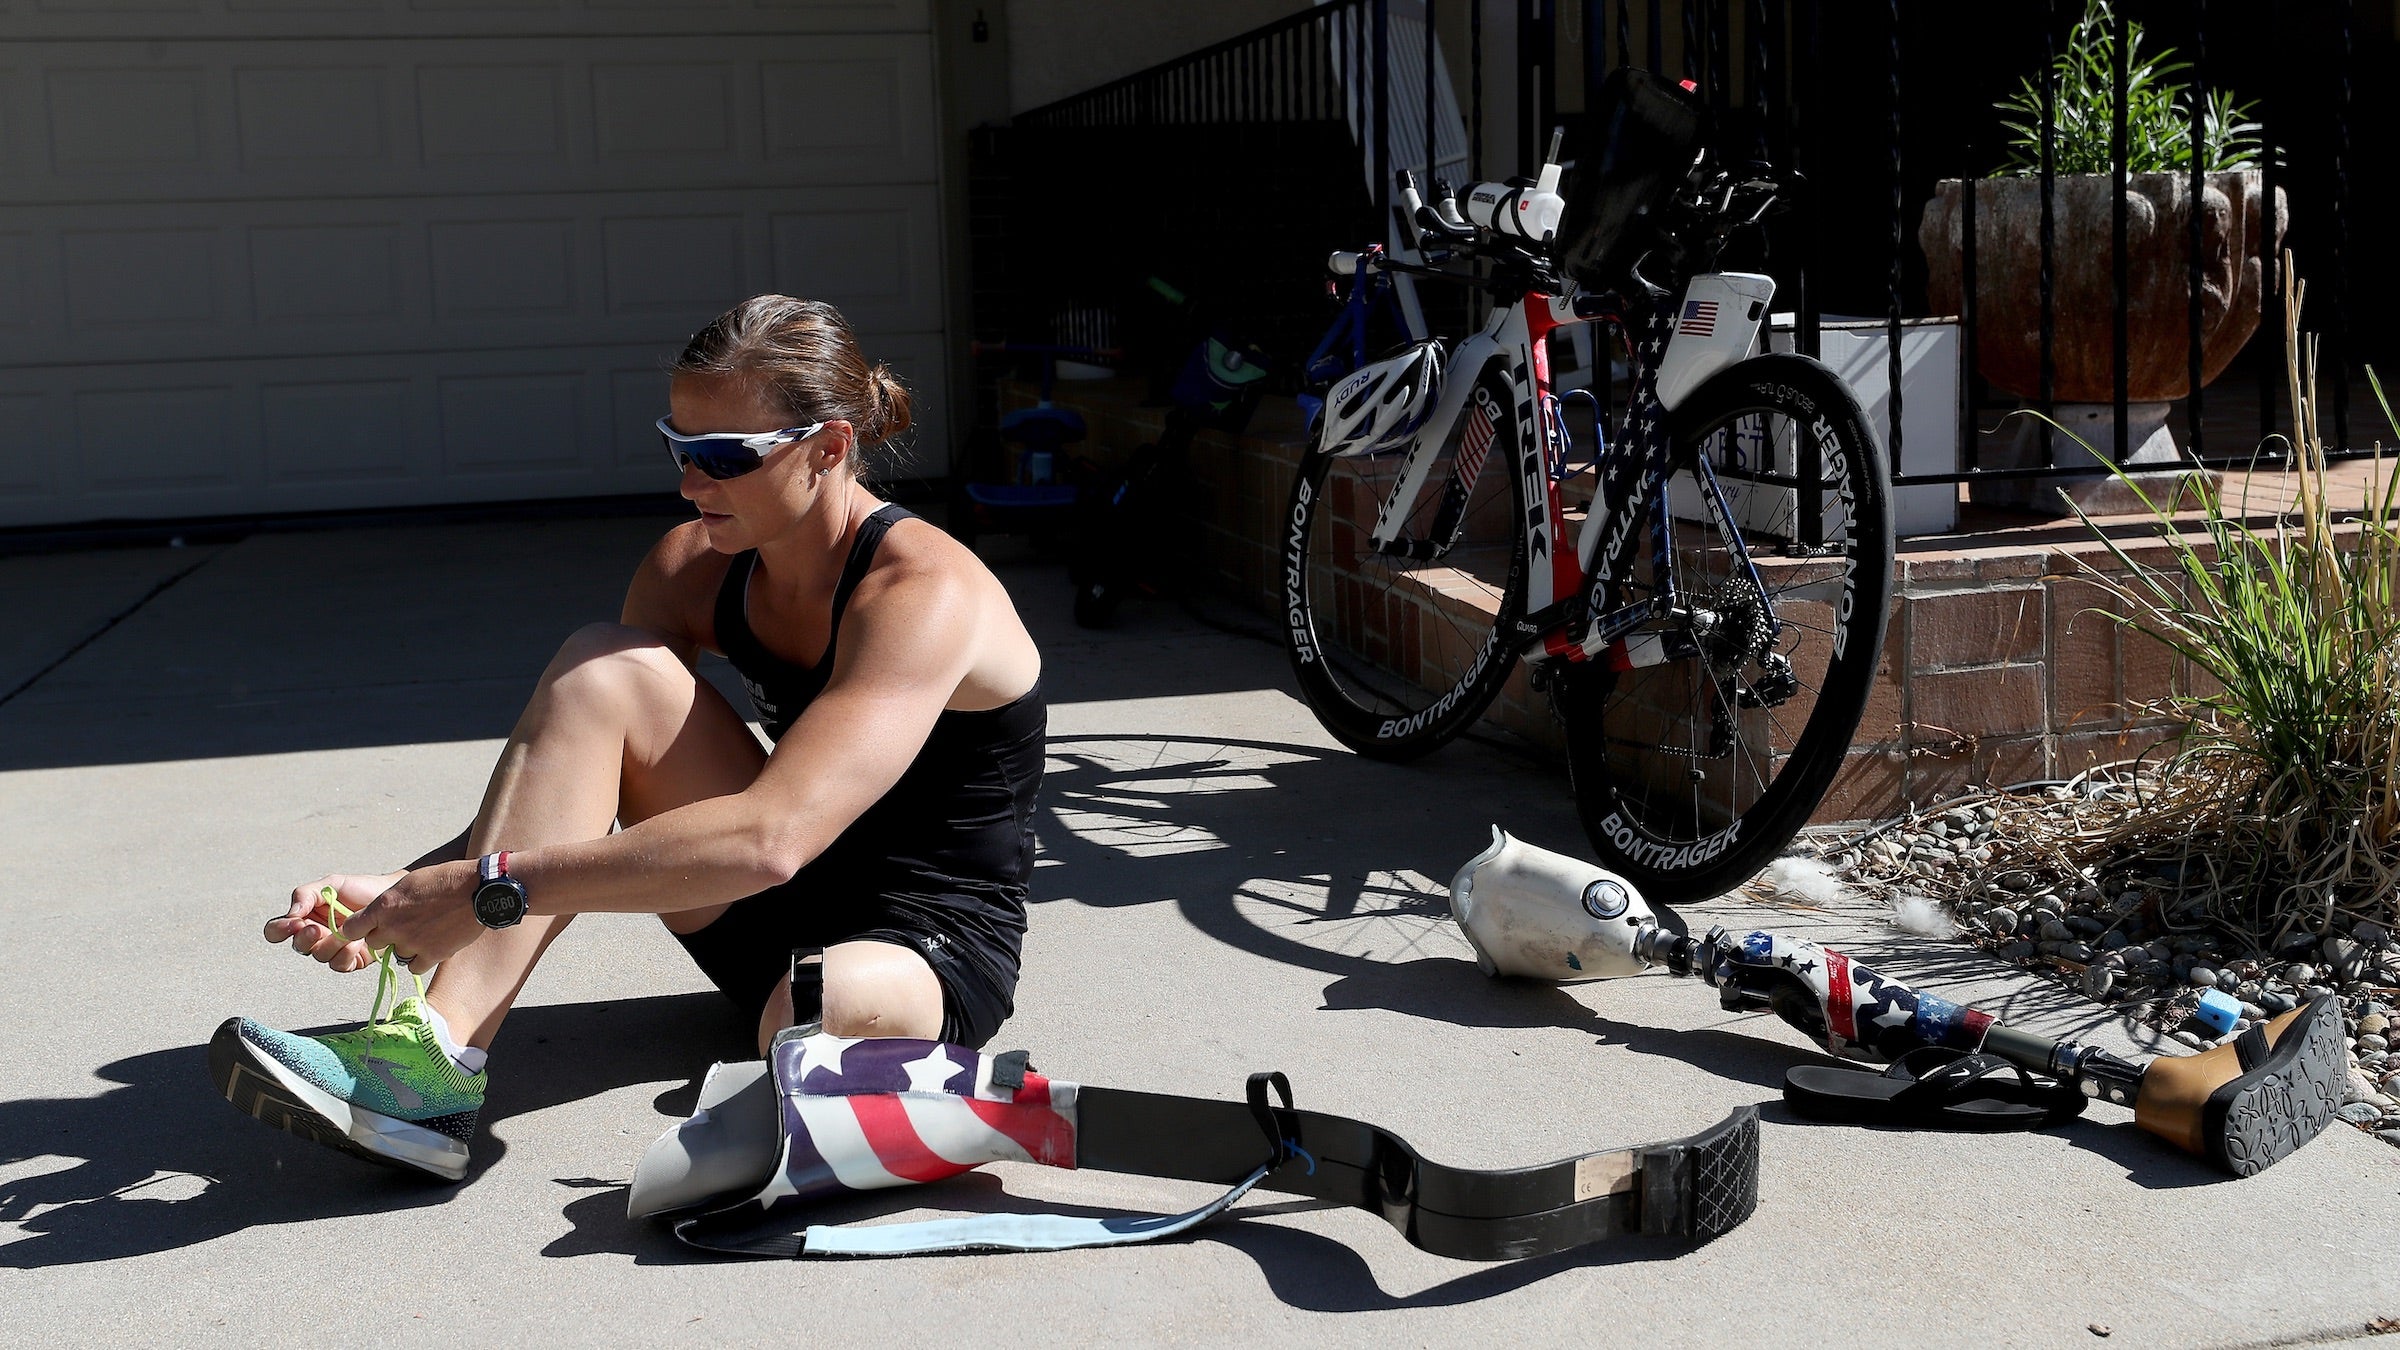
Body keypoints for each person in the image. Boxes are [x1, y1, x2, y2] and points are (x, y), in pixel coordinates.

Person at [211, 296, 1046, 1181]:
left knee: (814, 1008)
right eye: (678, 447)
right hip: (769, 917)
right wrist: (418, 886)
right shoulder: (692, 566)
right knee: (604, 667)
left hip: (923, 944)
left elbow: (770, 839)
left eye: (724, 457)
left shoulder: (924, 592)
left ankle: (876, 1080)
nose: (691, 483)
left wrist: (480, 888)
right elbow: (570, 792)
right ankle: (426, 1073)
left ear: (830, 449)